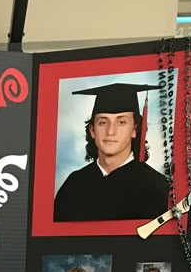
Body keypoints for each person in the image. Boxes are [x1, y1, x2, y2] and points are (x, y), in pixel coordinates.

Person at [53, 82, 169, 222]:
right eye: (103, 122)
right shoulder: (73, 185)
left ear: (135, 130)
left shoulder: (158, 188)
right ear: (92, 130)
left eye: (121, 122)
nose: (110, 132)